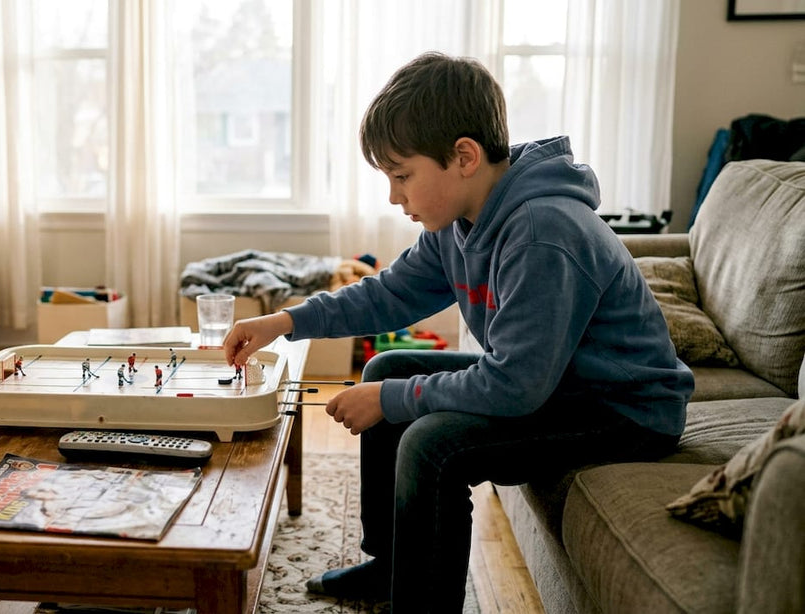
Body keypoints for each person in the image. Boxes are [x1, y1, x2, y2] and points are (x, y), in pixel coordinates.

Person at [222, 51, 693, 613]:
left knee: (430, 441)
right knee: (387, 368)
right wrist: (287, 321)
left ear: (463, 157)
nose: (394, 197)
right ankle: (393, 568)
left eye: (402, 176)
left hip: (623, 410)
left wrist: (391, 402)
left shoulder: (544, 231)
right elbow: (391, 293)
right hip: (561, 384)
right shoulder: (459, 222)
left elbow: (515, 386)